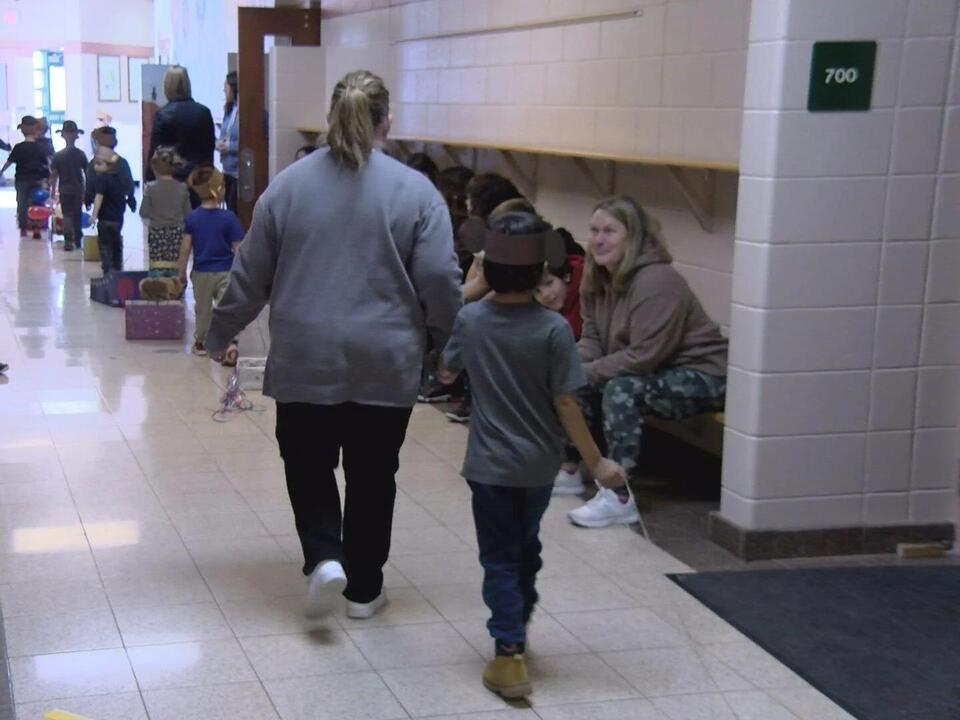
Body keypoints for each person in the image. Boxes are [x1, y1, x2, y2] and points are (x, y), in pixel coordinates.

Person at [204, 69, 461, 621]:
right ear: (388, 121)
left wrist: (219, 331)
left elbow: (249, 274)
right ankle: (365, 590)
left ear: (330, 118)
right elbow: (441, 277)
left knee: (308, 461)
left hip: (305, 357)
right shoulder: (417, 192)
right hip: (385, 360)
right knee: (374, 473)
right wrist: (450, 343)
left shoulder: (290, 186)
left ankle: (324, 556)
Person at [439, 210, 626, 699]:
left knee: (499, 557)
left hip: (488, 466)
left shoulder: (471, 319)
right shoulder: (553, 330)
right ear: (540, 271)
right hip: (539, 466)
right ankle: (518, 624)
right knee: (524, 546)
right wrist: (597, 463)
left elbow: (444, 372)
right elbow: (567, 403)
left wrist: (470, 290)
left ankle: (508, 653)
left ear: (490, 268)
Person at [561, 196, 728, 523]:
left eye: (610, 231)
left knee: (622, 389)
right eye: (594, 230)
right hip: (656, 370)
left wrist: (587, 372)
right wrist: (572, 369)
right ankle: (568, 470)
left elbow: (644, 357)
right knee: (570, 379)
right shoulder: (598, 277)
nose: (598, 239)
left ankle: (620, 496)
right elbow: (593, 338)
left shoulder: (657, 281)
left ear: (633, 236)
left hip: (705, 374)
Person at [179, 166, 244, 358]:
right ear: (217, 189)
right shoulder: (229, 218)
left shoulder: (192, 218)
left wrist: (180, 273)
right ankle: (229, 340)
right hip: (226, 271)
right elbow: (239, 248)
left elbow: (185, 249)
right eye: (223, 186)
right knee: (226, 307)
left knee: (203, 309)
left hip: (201, 273)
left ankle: (201, 342)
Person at [147, 66, 215, 207]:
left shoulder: (163, 115)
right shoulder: (204, 112)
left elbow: (155, 153)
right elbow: (209, 149)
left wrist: (149, 181)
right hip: (199, 181)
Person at [140, 147, 191, 294]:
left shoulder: (150, 188)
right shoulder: (182, 188)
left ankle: (157, 291)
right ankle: (176, 290)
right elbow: (188, 214)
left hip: (156, 232)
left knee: (157, 265)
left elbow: (143, 212)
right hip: (177, 233)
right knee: (175, 265)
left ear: (154, 167)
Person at [1, 116, 49, 236]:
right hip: (37, 179)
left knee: (22, 203)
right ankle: (37, 227)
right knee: (37, 203)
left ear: (22, 131)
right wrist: (50, 177)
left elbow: (9, 162)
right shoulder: (41, 147)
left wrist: (1, 171)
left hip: (22, 180)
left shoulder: (19, 147)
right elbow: (48, 163)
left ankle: (23, 227)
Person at [50, 121, 88, 252]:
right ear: (76, 136)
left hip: (64, 190)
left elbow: (54, 176)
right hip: (78, 189)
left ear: (62, 136)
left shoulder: (58, 156)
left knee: (67, 215)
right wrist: (89, 191)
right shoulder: (81, 154)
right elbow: (87, 174)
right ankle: (78, 240)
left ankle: (68, 242)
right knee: (77, 214)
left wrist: (52, 193)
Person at [88, 149, 129, 274]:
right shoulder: (119, 180)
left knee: (105, 245)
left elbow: (99, 197)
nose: (95, 167)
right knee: (116, 244)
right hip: (118, 219)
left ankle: (107, 269)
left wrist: (94, 215)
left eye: (99, 164)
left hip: (105, 219)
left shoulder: (102, 179)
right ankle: (118, 267)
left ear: (109, 165)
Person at [85, 127, 135, 213]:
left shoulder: (93, 164)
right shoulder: (121, 162)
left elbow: (90, 184)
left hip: (102, 207)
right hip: (118, 205)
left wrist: (88, 200)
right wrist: (131, 200)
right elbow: (128, 183)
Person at [216, 71, 239, 213]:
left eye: (226, 86)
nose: (224, 89)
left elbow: (252, 142)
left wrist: (229, 146)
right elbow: (225, 134)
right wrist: (219, 143)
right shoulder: (230, 110)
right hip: (227, 171)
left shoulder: (248, 113)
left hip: (239, 173)